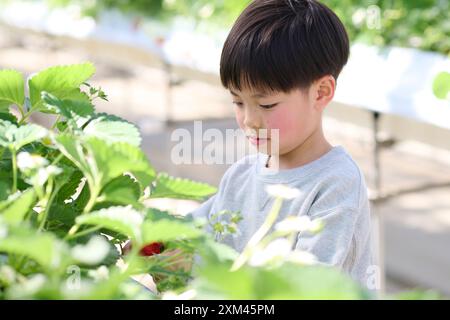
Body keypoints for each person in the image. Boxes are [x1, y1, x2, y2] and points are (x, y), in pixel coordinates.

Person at [188, 0, 374, 288]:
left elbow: (301, 288)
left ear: (321, 93)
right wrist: (154, 243)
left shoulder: (336, 184)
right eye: (238, 101)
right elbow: (189, 230)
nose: (249, 119)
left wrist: (196, 270)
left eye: (266, 104)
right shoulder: (240, 176)